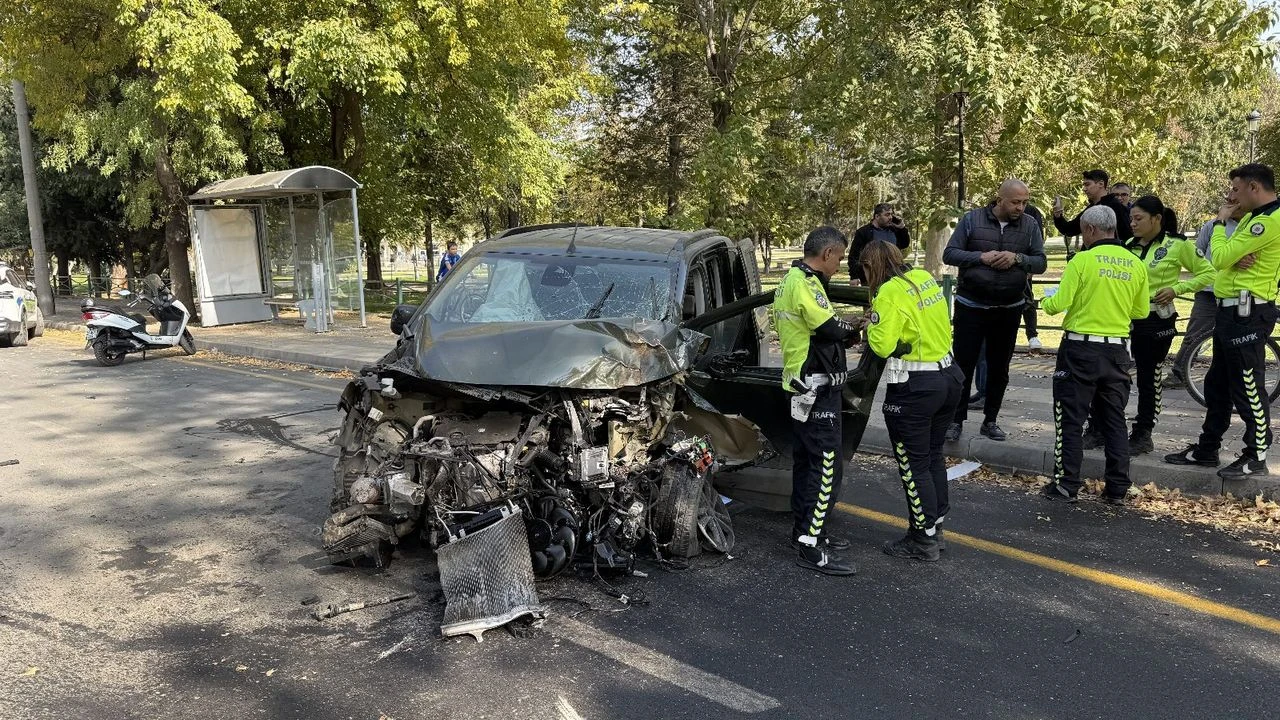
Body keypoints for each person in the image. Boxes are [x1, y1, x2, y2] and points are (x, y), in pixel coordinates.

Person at [1165, 164, 1280, 480]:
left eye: (1235, 189)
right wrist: (1230, 254)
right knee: (1217, 384)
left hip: (1248, 313)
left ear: (1254, 187)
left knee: (1248, 386)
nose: (1230, 196)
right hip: (1230, 312)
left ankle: (1256, 454)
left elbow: (1219, 258)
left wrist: (1219, 222)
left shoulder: (1268, 221)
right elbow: (1226, 261)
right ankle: (1207, 448)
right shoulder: (1254, 219)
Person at [857, 241, 963, 561]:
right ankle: (935, 528)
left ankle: (921, 539)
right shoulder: (923, 277)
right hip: (948, 376)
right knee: (932, 456)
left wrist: (871, 326)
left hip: (915, 387)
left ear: (870, 267)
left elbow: (881, 345)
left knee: (912, 463)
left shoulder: (887, 292)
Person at [1039, 205, 1149, 504]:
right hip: (1117, 350)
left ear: (1089, 230)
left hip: (1080, 348)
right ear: (1114, 228)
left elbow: (1059, 302)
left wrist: (1044, 303)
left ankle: (1066, 485)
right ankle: (1117, 488)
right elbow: (1140, 311)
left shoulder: (1082, 261)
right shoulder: (1135, 263)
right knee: (1115, 421)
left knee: (1070, 419)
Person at [773, 226, 861, 575]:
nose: (839, 265)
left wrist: (844, 329)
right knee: (825, 466)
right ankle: (811, 546)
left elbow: (820, 327)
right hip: (814, 387)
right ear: (826, 254)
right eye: (839, 257)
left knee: (807, 463)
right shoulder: (805, 283)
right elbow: (828, 328)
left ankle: (807, 531)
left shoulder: (792, 280)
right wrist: (855, 328)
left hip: (804, 384)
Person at [1099, 196, 1213, 455]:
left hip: (1156, 319)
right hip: (1122, 319)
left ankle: (1143, 432)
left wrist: (1176, 288)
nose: (1133, 223)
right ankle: (1100, 428)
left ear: (1157, 219)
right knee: (1108, 374)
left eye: (1138, 219)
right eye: (1131, 219)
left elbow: (1208, 273)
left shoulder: (1177, 245)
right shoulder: (1127, 246)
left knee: (1149, 378)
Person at [942, 178, 1047, 443]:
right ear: (999, 199)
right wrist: (981, 257)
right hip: (971, 305)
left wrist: (1018, 259)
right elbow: (950, 254)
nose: (1021, 208)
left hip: (1008, 307)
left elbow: (1041, 262)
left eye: (1025, 202)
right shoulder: (972, 220)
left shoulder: (1030, 225)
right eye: (1015, 202)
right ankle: (955, 420)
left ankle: (990, 421)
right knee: (963, 365)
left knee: (1000, 368)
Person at [1166, 201, 1243, 387]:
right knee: (1196, 332)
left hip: (1237, 292)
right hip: (1208, 291)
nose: (1231, 205)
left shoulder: (1249, 227)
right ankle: (1179, 373)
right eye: (1229, 201)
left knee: (1235, 337)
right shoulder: (1211, 225)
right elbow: (1198, 253)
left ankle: (1232, 378)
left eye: (1235, 201)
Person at [1052, 169, 1133, 252]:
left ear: (1101, 184)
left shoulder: (1116, 207)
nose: (1084, 189)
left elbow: (1128, 236)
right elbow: (1069, 230)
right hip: (1091, 258)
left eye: (1087, 184)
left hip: (1111, 259)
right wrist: (1057, 214)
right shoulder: (1091, 208)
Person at [848, 204, 910, 284]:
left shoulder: (894, 230)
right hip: (872, 278)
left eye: (891, 214)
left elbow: (905, 244)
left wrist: (902, 228)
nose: (890, 217)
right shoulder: (864, 232)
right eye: (887, 214)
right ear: (877, 216)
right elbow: (853, 257)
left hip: (894, 276)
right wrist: (854, 277)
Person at [1022, 201, 1048, 349]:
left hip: (1025, 266)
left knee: (1028, 302)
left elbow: (1038, 240)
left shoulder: (1032, 212)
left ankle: (1032, 336)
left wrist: (1030, 268)